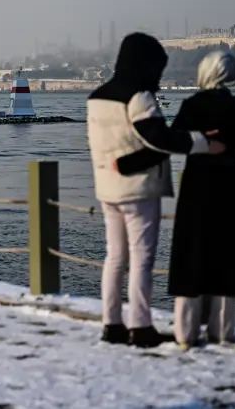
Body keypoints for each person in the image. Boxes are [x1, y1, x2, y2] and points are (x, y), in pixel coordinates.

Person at [87, 32, 225, 348]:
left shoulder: (97, 96)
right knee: (141, 260)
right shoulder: (140, 97)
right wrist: (204, 143)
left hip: (107, 187)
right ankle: (140, 326)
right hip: (139, 189)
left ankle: (111, 324)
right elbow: (157, 138)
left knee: (115, 258)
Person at [167, 50, 235, 348]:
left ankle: (185, 333)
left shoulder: (191, 105)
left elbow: (174, 141)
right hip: (230, 189)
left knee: (191, 257)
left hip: (196, 188)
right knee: (228, 261)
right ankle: (222, 333)